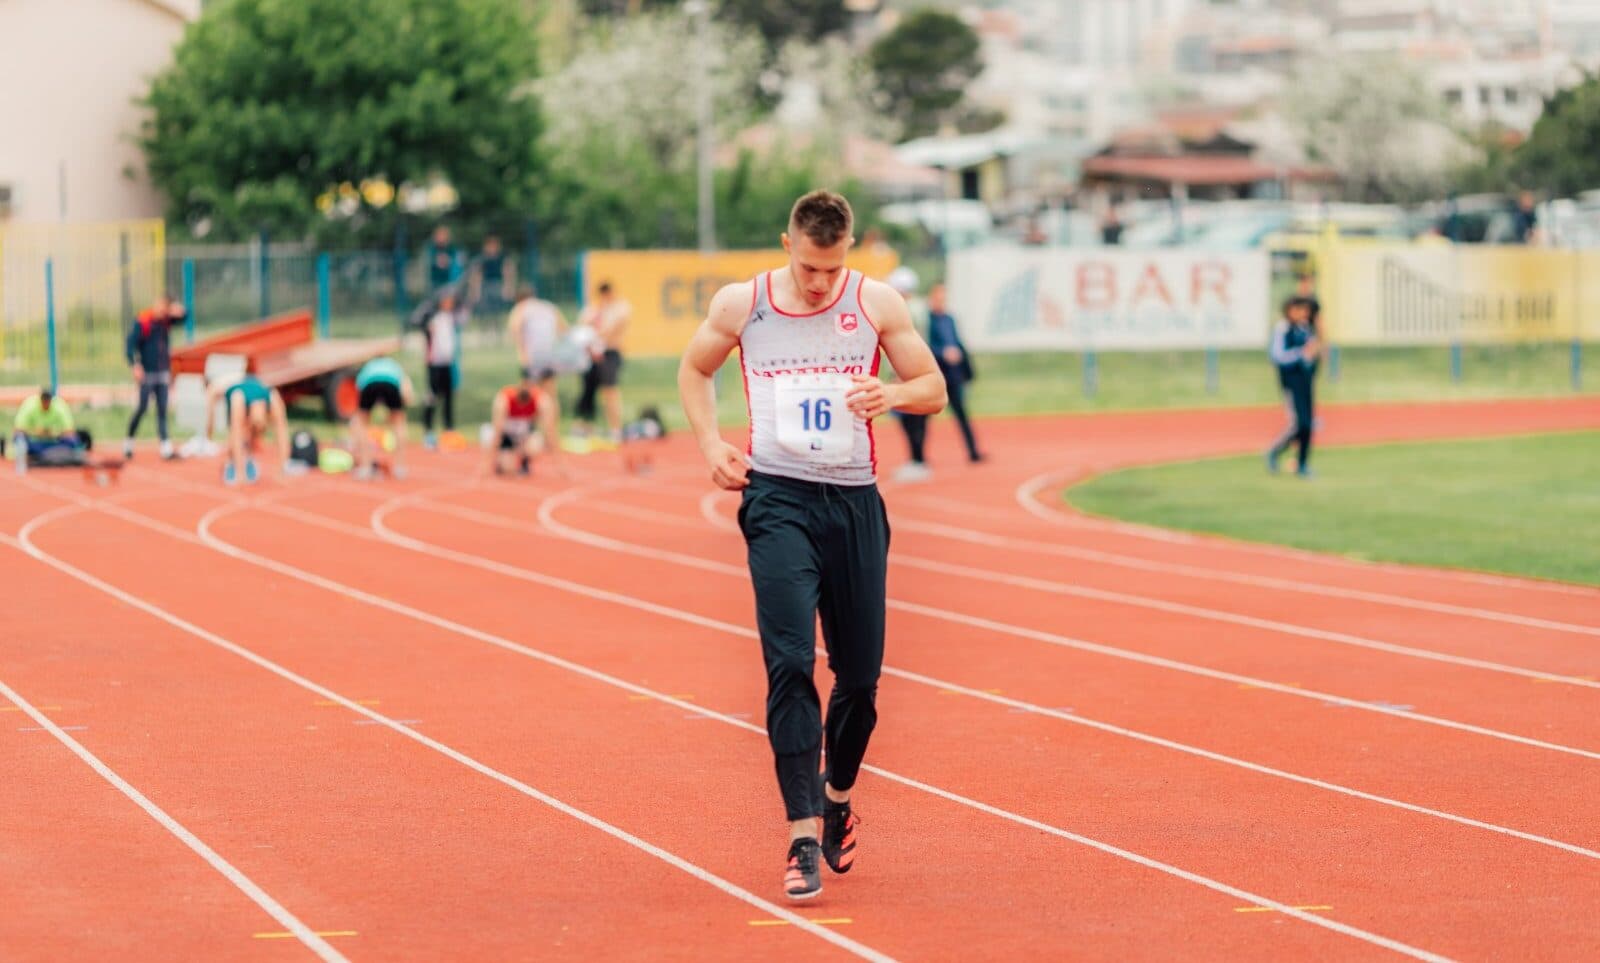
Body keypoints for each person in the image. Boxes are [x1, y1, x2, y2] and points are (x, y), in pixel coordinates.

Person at [677, 189, 946, 901]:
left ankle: (836, 795)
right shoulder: (747, 304)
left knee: (859, 677)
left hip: (855, 503)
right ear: (786, 244)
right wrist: (711, 442)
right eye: (808, 269)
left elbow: (934, 386)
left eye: (830, 270)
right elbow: (694, 369)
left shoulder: (877, 303)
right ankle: (801, 836)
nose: (819, 283)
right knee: (791, 661)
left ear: (847, 253)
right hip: (777, 500)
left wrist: (891, 394)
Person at [925, 282, 984, 464]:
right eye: (938, 296)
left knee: (962, 414)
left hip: (953, 375)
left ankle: (973, 451)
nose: (941, 300)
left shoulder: (949, 319)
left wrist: (967, 369)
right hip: (936, 375)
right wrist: (943, 353)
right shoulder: (927, 321)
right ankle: (920, 456)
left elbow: (957, 342)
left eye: (944, 297)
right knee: (924, 414)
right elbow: (924, 346)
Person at [124, 294, 186, 460]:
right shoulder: (143, 321)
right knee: (142, 408)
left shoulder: (165, 322)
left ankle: (166, 447)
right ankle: (128, 442)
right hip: (147, 373)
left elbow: (183, 317)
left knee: (162, 409)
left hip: (163, 372)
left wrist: (180, 310)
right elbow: (130, 345)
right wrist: (135, 365)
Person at [203, 373, 295, 485]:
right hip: (254, 387)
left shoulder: (217, 390)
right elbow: (236, 431)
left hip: (252, 389)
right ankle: (236, 463)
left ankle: (241, 461)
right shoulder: (264, 395)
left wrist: (208, 437)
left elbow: (211, 418)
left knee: (239, 431)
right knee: (239, 431)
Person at [886, 267, 931, 483]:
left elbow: (910, 344)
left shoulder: (908, 309)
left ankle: (918, 460)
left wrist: (899, 373)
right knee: (914, 418)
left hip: (907, 372)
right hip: (914, 371)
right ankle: (917, 460)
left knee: (912, 418)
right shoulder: (919, 307)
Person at [573, 280, 630, 449]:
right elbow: (582, 326)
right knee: (587, 391)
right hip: (591, 354)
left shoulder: (620, 308)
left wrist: (598, 334)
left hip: (609, 352)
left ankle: (615, 429)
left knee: (610, 390)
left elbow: (613, 327)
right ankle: (586, 426)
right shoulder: (592, 309)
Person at [1266, 297, 1319, 478]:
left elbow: (1311, 353)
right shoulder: (1283, 329)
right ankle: (1275, 451)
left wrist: (1312, 356)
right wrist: (1300, 354)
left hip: (1305, 382)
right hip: (1291, 382)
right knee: (1299, 423)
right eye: (1298, 309)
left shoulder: (1305, 329)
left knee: (1308, 424)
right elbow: (1277, 356)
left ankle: (1302, 463)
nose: (1302, 313)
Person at [482, 369, 561, 478]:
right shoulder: (505, 398)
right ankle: (502, 459)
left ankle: (524, 461)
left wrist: (560, 464)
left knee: (536, 445)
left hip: (523, 437)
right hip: (506, 437)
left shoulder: (541, 400)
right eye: (526, 384)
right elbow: (497, 431)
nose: (528, 387)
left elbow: (550, 431)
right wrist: (486, 463)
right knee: (507, 468)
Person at [351, 356, 414, 480]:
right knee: (399, 425)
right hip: (392, 383)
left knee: (362, 425)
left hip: (370, 384)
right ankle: (399, 467)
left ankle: (365, 468)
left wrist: (362, 415)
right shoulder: (394, 365)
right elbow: (406, 390)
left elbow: (359, 388)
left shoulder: (368, 366)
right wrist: (397, 413)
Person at [9, 389, 91, 474]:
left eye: (48, 402)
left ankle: (69, 456)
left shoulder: (59, 406)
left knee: (73, 440)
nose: (46, 405)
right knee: (19, 439)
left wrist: (53, 433)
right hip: (34, 442)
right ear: (40, 400)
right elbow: (17, 429)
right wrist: (35, 432)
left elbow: (70, 431)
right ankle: (25, 460)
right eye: (44, 402)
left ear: (51, 401)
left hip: (54, 442)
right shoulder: (29, 405)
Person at [421, 291, 466, 448]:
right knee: (432, 396)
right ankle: (428, 430)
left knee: (448, 396)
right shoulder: (433, 318)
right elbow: (422, 328)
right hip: (434, 364)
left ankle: (449, 430)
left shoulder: (450, 318)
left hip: (447, 363)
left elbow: (465, 312)